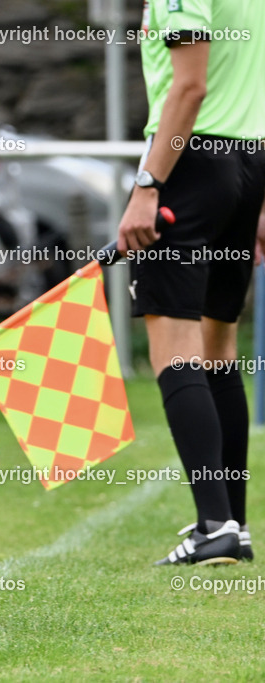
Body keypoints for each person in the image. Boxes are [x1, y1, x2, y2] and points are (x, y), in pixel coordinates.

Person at [116, 1, 265, 565]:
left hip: (190, 164)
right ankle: (234, 524)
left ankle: (214, 524)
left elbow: (190, 88)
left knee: (175, 348)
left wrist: (149, 184)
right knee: (216, 348)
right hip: (249, 160)